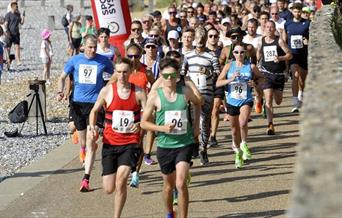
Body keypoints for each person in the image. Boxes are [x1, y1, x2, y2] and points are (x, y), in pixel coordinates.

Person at [141, 58, 201, 218]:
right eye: (166, 76)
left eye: (173, 76)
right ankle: (169, 212)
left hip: (184, 143)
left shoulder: (185, 92)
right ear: (161, 75)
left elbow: (198, 102)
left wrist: (196, 126)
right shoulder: (155, 96)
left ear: (177, 76)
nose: (169, 79)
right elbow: (143, 123)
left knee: (180, 183)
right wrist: (161, 128)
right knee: (168, 185)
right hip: (165, 146)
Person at [87, 58, 146, 218]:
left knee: (121, 182)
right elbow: (94, 111)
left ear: (131, 72)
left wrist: (140, 123)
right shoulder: (107, 91)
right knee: (108, 188)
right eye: (118, 72)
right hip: (110, 144)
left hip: (130, 143)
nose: (121, 75)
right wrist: (92, 127)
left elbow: (149, 116)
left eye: (125, 72)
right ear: (115, 72)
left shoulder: (139, 92)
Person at [56, 35, 114, 192]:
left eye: (95, 47)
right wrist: (60, 91)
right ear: (83, 46)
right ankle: (83, 148)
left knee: (91, 140)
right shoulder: (75, 60)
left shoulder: (103, 61)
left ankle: (85, 179)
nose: (92, 50)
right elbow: (62, 77)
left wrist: (106, 89)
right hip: (77, 105)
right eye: (90, 47)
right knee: (83, 142)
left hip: (95, 105)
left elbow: (115, 75)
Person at [181, 26, 220, 165]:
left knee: (205, 122)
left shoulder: (211, 56)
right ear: (194, 39)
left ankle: (203, 149)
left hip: (207, 93)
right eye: (198, 38)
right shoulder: (188, 56)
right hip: (192, 93)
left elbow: (217, 73)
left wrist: (208, 73)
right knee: (191, 122)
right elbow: (182, 73)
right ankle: (195, 144)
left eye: (203, 38)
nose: (200, 41)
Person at [216, 44, 259, 168]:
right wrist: (231, 80)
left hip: (246, 99)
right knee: (234, 131)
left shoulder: (251, 67)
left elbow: (262, 79)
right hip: (231, 101)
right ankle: (237, 151)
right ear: (233, 54)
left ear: (245, 53)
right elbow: (218, 83)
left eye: (241, 52)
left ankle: (244, 144)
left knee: (243, 122)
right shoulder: (229, 66)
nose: (239, 54)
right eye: (236, 52)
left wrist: (254, 83)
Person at [257, 20, 292, 135]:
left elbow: (289, 55)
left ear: (274, 29)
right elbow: (258, 54)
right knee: (268, 99)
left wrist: (281, 58)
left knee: (278, 101)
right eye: (267, 27)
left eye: (271, 27)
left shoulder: (279, 41)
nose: (269, 29)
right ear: (264, 29)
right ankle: (270, 125)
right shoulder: (261, 41)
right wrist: (258, 65)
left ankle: (268, 113)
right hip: (266, 74)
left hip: (279, 75)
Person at [284, 3, 310, 112]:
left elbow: (312, 38)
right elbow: (285, 39)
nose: (297, 13)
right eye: (295, 11)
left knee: (302, 80)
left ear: (301, 12)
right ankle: (295, 102)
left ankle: (301, 94)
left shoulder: (307, 23)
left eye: (299, 11)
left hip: (303, 54)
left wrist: (308, 42)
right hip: (293, 55)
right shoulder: (287, 24)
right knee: (295, 75)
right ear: (292, 12)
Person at [4, 1, 25, 66]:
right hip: (9, 34)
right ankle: (8, 60)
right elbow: (6, 24)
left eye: (17, 6)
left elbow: (21, 23)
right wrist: (6, 31)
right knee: (8, 48)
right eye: (16, 6)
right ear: (12, 7)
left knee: (17, 47)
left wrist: (24, 17)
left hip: (16, 34)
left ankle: (18, 61)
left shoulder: (18, 14)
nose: (17, 7)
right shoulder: (8, 15)